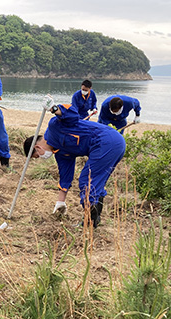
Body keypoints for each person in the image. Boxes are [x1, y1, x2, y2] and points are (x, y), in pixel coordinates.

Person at [24, 97, 126, 228]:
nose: (41, 158)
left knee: (87, 180)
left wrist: (54, 108)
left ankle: (89, 223)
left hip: (107, 141)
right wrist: (60, 202)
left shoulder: (54, 127)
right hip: (112, 144)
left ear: (37, 148)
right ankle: (95, 219)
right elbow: (65, 175)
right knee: (96, 181)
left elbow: (72, 114)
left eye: (37, 156)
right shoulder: (59, 152)